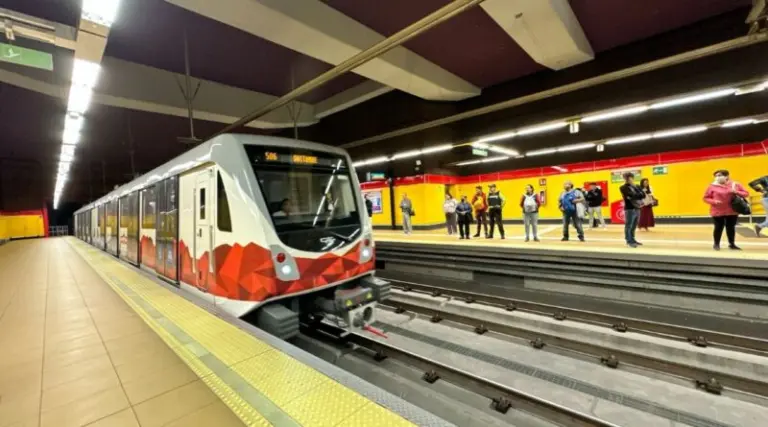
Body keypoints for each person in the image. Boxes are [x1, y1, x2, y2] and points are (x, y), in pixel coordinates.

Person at [703, 170, 749, 250]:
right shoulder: (712, 186)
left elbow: (746, 193)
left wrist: (736, 192)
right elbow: (705, 198)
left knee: (731, 228)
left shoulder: (735, 184)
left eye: (719, 175)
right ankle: (716, 244)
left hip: (732, 210)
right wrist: (714, 201)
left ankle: (732, 244)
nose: (717, 177)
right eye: (716, 176)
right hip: (717, 211)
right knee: (718, 227)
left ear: (726, 176)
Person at [619, 172, 645, 248]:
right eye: (626, 178)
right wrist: (637, 195)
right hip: (629, 208)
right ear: (624, 179)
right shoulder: (623, 187)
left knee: (634, 225)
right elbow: (631, 195)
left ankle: (633, 239)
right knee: (629, 225)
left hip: (637, 208)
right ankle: (628, 241)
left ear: (632, 178)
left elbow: (643, 195)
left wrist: (635, 195)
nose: (629, 179)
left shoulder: (637, 186)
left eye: (630, 177)